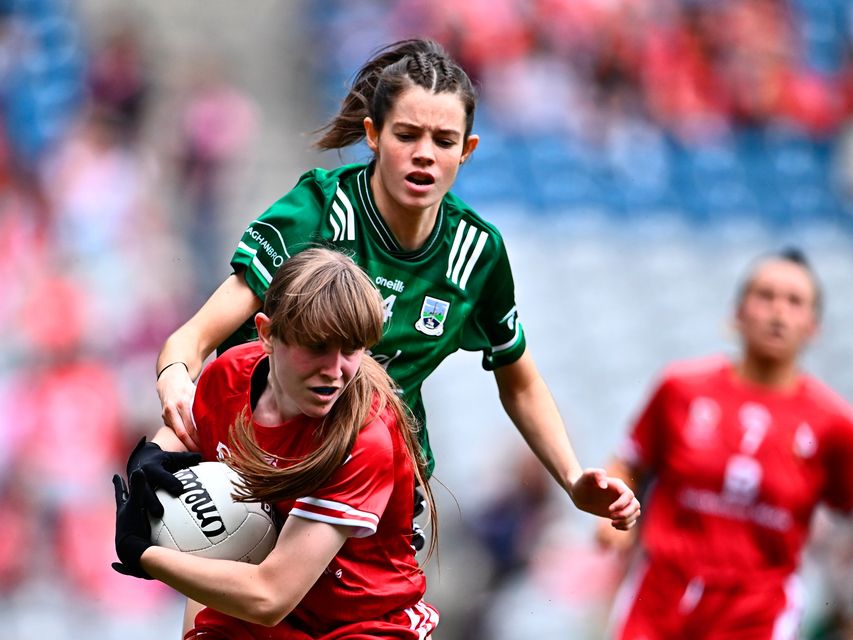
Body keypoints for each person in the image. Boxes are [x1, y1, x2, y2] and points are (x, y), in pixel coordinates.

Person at [151, 37, 639, 533]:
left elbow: (520, 380)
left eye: (444, 141)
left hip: (375, 491)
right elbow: (194, 337)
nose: (424, 155)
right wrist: (174, 376)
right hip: (255, 476)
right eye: (407, 135)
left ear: (467, 150)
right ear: (373, 134)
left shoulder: (476, 253)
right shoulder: (315, 214)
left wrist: (573, 478)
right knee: (227, 609)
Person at [113, 248, 441, 639]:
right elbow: (190, 435)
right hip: (256, 615)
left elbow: (270, 596)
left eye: (351, 350)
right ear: (268, 334)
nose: (335, 372)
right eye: (318, 346)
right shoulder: (230, 376)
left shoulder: (364, 437)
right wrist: (150, 460)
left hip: (362, 624)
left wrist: (144, 556)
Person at [597, 248, 853, 639]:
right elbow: (628, 462)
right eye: (765, 296)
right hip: (661, 593)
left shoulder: (832, 423)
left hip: (757, 612)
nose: (778, 312)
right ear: (738, 312)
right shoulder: (680, 389)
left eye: (794, 302)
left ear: (813, 325)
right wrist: (612, 517)